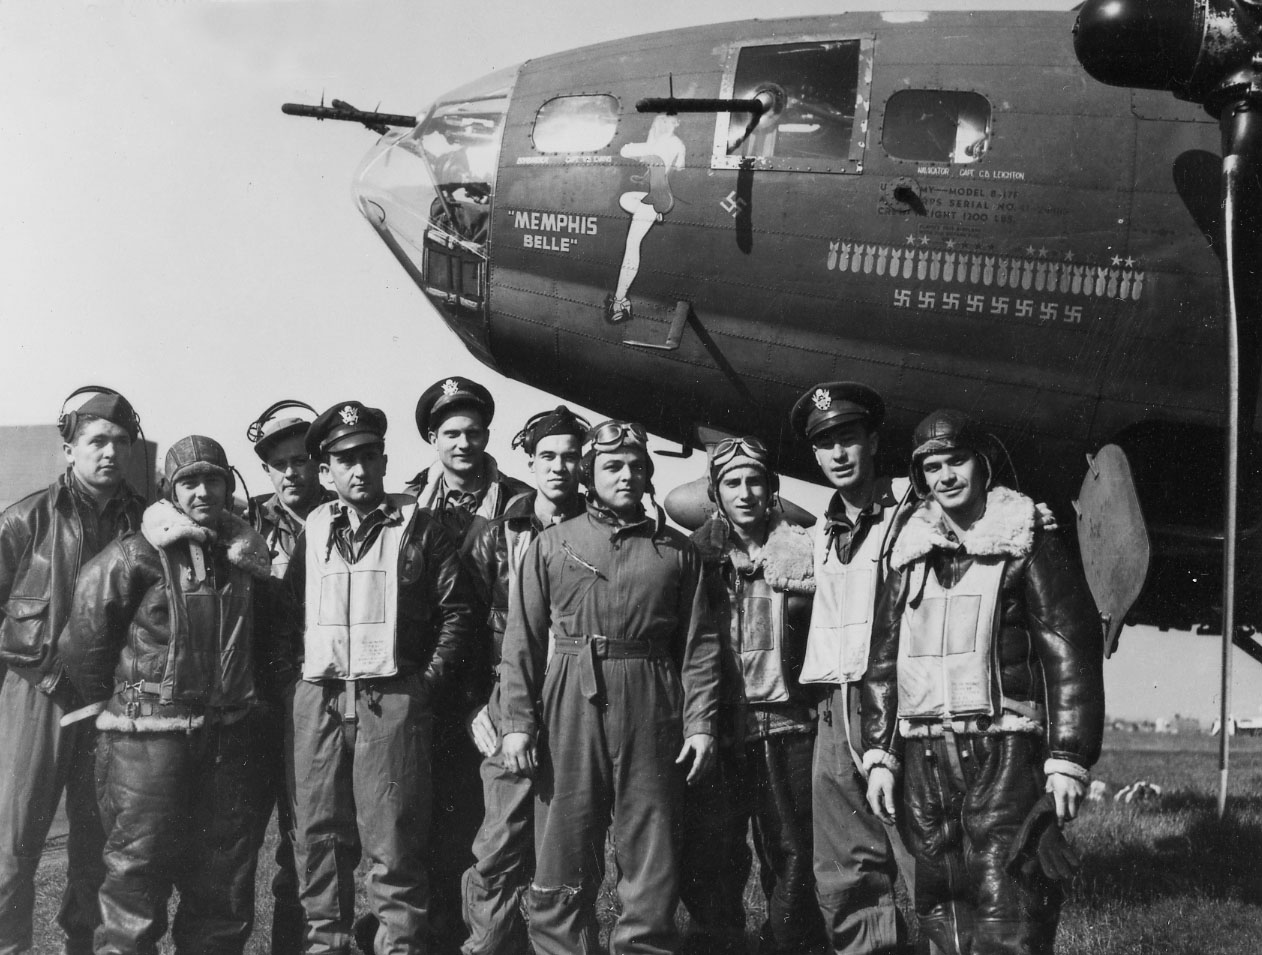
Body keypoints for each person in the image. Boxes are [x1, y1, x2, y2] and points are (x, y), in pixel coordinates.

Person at [862, 409, 1104, 955]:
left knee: (1010, 907)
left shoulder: (1027, 541)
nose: (944, 477)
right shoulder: (908, 553)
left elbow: (1070, 650)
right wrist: (880, 754)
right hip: (924, 762)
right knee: (941, 909)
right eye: (931, 467)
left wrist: (1068, 757)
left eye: (956, 461)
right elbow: (882, 659)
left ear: (983, 464)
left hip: (1004, 753)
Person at [498, 419, 720, 955]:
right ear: (590, 475)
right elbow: (522, 641)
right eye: (612, 466)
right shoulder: (551, 545)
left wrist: (700, 723)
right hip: (572, 695)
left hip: (652, 698)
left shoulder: (678, 551)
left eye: (636, 467)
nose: (626, 476)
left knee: (650, 847)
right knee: (563, 844)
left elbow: (699, 646)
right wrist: (518, 724)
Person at [59, 435, 277, 955]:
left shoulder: (245, 559)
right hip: (147, 745)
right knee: (136, 876)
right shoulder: (136, 554)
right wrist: (124, 705)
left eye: (214, 480)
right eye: (190, 481)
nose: (203, 491)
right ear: (170, 489)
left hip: (226, 743)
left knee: (222, 885)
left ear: (229, 484)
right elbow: (84, 640)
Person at [278, 401, 482, 955]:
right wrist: (295, 687)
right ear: (326, 472)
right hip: (318, 699)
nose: (359, 469)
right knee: (319, 843)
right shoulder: (314, 528)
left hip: (390, 699)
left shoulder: (421, 527)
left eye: (368, 456)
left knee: (393, 846)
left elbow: (457, 613)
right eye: (345, 460)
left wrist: (424, 688)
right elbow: (289, 612)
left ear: (385, 459)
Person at [0, 386, 145, 955]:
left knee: (100, 846)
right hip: (39, 696)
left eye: (120, 442)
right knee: (13, 845)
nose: (109, 453)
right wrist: (37, 669)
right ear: (69, 447)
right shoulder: (25, 520)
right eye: (96, 441)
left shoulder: (146, 520)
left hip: (115, 703)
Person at [681, 436, 827, 955]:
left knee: (791, 854)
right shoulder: (693, 556)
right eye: (732, 483)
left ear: (772, 488)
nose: (745, 492)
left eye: (755, 481)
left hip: (788, 726)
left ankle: (789, 945)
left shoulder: (807, 552)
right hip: (718, 731)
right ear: (716, 493)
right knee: (712, 857)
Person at [790, 382, 919, 955]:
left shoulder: (914, 514)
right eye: (825, 445)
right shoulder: (819, 533)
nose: (838, 455)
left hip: (896, 705)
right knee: (844, 868)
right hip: (832, 714)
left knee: (919, 852)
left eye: (848, 439)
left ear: (872, 440)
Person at [404, 375, 528, 954]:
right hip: (428, 686)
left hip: (493, 688)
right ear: (433, 437)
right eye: (451, 432)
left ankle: (490, 939)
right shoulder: (405, 504)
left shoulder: (520, 504)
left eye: (474, 432)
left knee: (490, 830)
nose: (463, 443)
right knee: (423, 823)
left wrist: (495, 697)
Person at [458, 406, 589, 955]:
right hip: (507, 700)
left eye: (570, 456)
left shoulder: (599, 529)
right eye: (548, 457)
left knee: (566, 847)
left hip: (579, 702)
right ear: (529, 462)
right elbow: (462, 624)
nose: (559, 467)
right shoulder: (494, 536)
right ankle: (488, 946)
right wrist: (475, 707)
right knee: (499, 842)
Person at [246, 400, 333, 955]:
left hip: (329, 700)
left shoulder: (347, 516)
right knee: (255, 842)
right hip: (259, 705)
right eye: (279, 463)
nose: (291, 472)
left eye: (302, 459)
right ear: (265, 469)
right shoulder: (244, 523)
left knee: (317, 840)